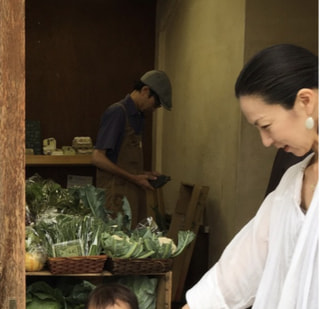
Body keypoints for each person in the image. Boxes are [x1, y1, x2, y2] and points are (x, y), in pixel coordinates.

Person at [182, 44, 318, 309]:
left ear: (305, 101)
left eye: (266, 126)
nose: (266, 141)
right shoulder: (291, 184)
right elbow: (230, 280)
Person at [92, 70, 172, 227]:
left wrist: (144, 174)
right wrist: (133, 177)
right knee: (117, 244)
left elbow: (125, 161)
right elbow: (97, 157)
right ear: (145, 91)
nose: (154, 109)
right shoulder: (117, 112)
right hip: (115, 196)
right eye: (156, 104)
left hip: (132, 195)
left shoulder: (138, 117)